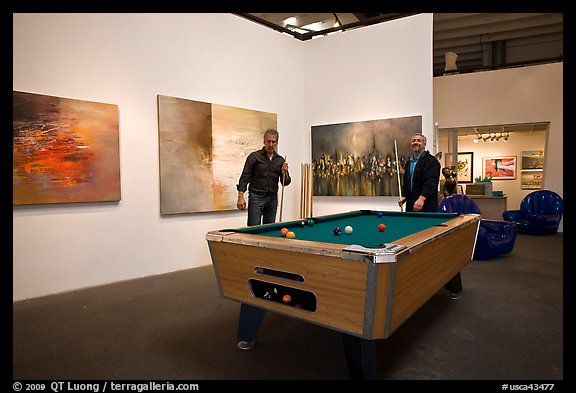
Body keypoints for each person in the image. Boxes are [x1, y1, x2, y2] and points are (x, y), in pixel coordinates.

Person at [237, 128, 291, 226]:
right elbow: (245, 177)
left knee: (269, 230)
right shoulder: (254, 157)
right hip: (256, 197)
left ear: (277, 143)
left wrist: (285, 173)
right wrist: (240, 197)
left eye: (273, 142)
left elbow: (285, 182)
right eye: (268, 141)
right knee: (253, 230)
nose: (271, 144)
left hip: (272, 199)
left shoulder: (280, 160)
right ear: (264, 141)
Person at [397, 132, 440, 212]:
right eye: (413, 141)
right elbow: (407, 182)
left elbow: (430, 182)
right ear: (411, 145)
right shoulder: (409, 162)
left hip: (426, 206)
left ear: (424, 145)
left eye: (419, 141)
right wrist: (405, 196)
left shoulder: (431, 161)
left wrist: (422, 198)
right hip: (411, 206)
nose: (415, 142)